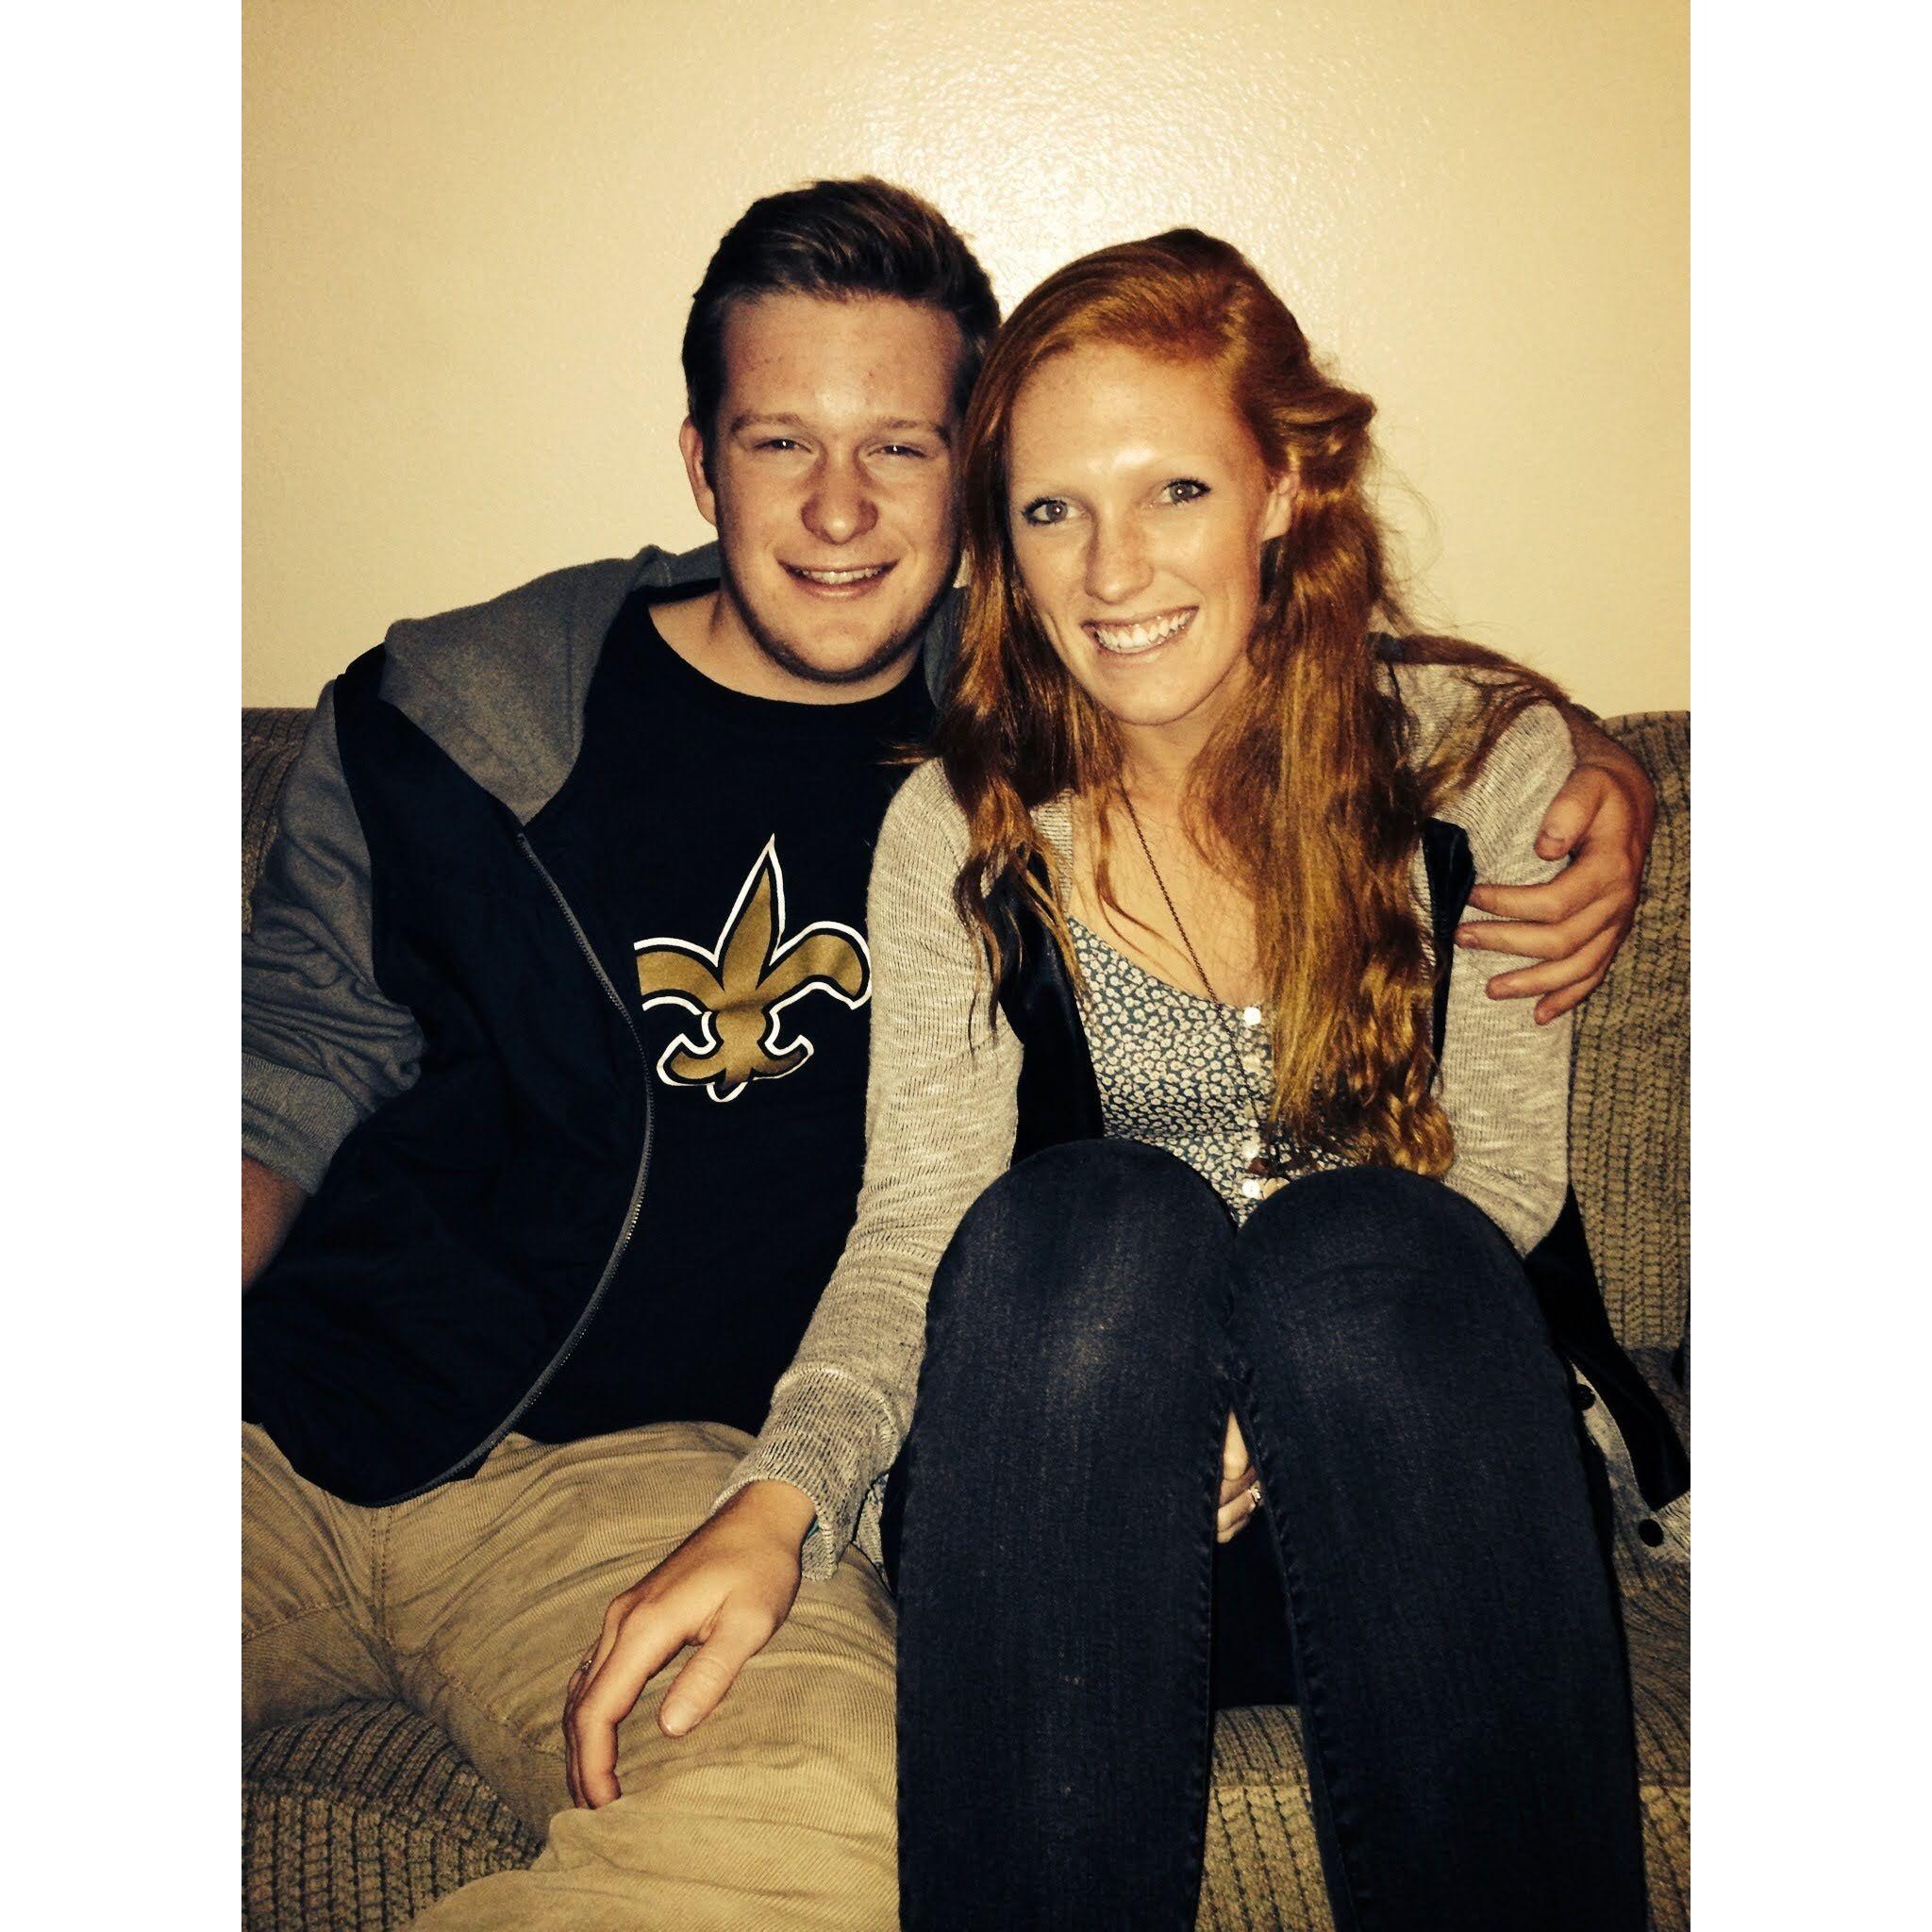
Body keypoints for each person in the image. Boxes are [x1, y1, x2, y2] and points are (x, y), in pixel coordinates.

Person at [244, 179, 1655, 1929]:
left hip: (1372, 1430)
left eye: (1177, 491)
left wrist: (1601, 766)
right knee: (1086, 1223)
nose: (1112, 569)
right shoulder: (921, 812)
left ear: (1285, 488)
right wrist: (789, 1497)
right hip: (1042, 1459)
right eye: (1055, 508)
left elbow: (1499, 1162)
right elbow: (910, 1222)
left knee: (1343, 1242)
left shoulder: (1462, 771)